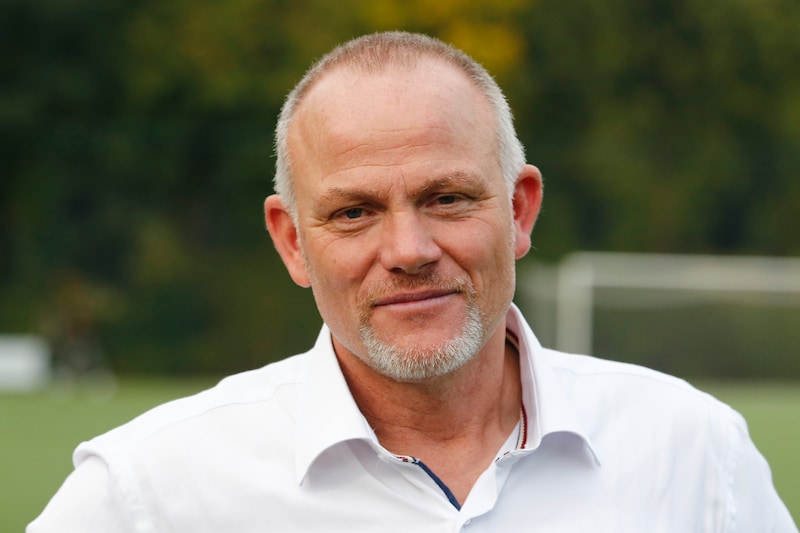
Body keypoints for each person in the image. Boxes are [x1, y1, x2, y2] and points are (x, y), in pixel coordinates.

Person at [29, 31, 796, 532]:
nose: (408, 250)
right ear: (292, 242)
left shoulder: (695, 454)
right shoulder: (149, 492)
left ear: (519, 209)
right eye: (354, 212)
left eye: (447, 198)